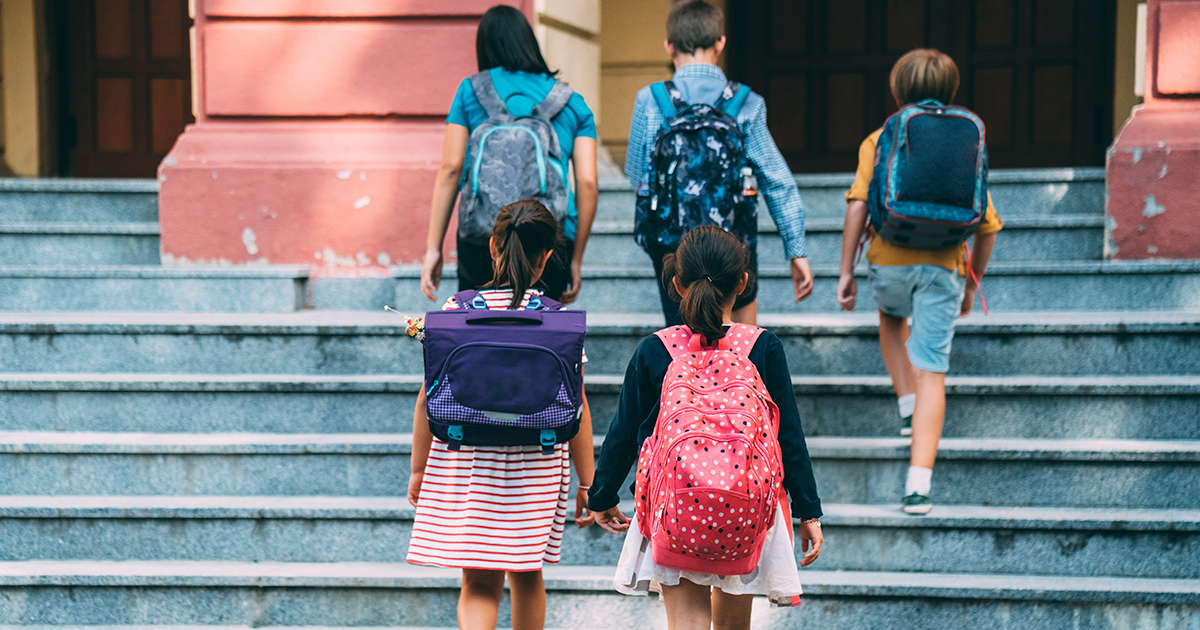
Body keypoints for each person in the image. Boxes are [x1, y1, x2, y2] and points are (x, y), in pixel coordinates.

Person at [587, 226, 823, 630]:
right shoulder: (762, 346)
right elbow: (789, 437)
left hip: (673, 507)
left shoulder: (655, 349)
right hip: (745, 505)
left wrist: (602, 495)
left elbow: (624, 433)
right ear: (743, 284)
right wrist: (808, 511)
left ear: (676, 284)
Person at [407, 200, 596, 630]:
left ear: (493, 247)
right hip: (539, 463)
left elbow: (426, 398)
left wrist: (419, 470)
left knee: (477, 583)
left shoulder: (457, 312)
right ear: (547, 257)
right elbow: (578, 406)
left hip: (467, 459)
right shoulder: (560, 323)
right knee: (528, 574)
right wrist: (589, 481)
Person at [835, 49, 1003, 515]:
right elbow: (988, 224)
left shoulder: (880, 137)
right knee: (934, 370)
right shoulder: (966, 139)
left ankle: (906, 407)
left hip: (889, 261)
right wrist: (972, 283)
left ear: (896, 91)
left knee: (891, 316)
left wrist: (846, 270)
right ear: (952, 91)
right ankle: (918, 486)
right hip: (946, 266)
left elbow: (857, 206)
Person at [625, 0, 812, 326]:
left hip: (674, 250)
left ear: (669, 46)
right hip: (734, 247)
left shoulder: (650, 99)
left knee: (680, 344)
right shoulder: (746, 102)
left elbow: (637, 172)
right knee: (741, 343)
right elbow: (777, 180)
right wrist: (796, 250)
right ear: (720, 43)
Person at [421, 5, 598, 305]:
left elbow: (451, 168)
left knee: (477, 329)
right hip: (547, 239)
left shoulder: (471, 91)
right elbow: (588, 183)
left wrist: (433, 249)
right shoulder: (571, 102)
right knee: (542, 332)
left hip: (481, 237)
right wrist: (575, 259)